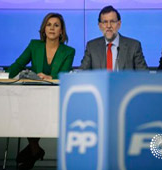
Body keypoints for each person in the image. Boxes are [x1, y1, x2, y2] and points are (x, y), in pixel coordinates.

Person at [8, 13, 75, 169]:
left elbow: (63, 75)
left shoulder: (68, 51)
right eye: (49, 24)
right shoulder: (34, 45)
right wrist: (5, 75)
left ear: (61, 31)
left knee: (34, 106)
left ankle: (34, 149)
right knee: (29, 104)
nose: (52, 28)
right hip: (33, 95)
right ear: (44, 29)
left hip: (55, 96)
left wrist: (49, 77)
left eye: (56, 25)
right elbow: (17, 65)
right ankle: (35, 149)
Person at [80, 5, 147, 70]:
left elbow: (144, 76)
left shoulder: (134, 46)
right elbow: (81, 75)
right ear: (100, 26)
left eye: (112, 21)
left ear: (119, 24)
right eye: (105, 22)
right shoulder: (91, 47)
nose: (109, 26)